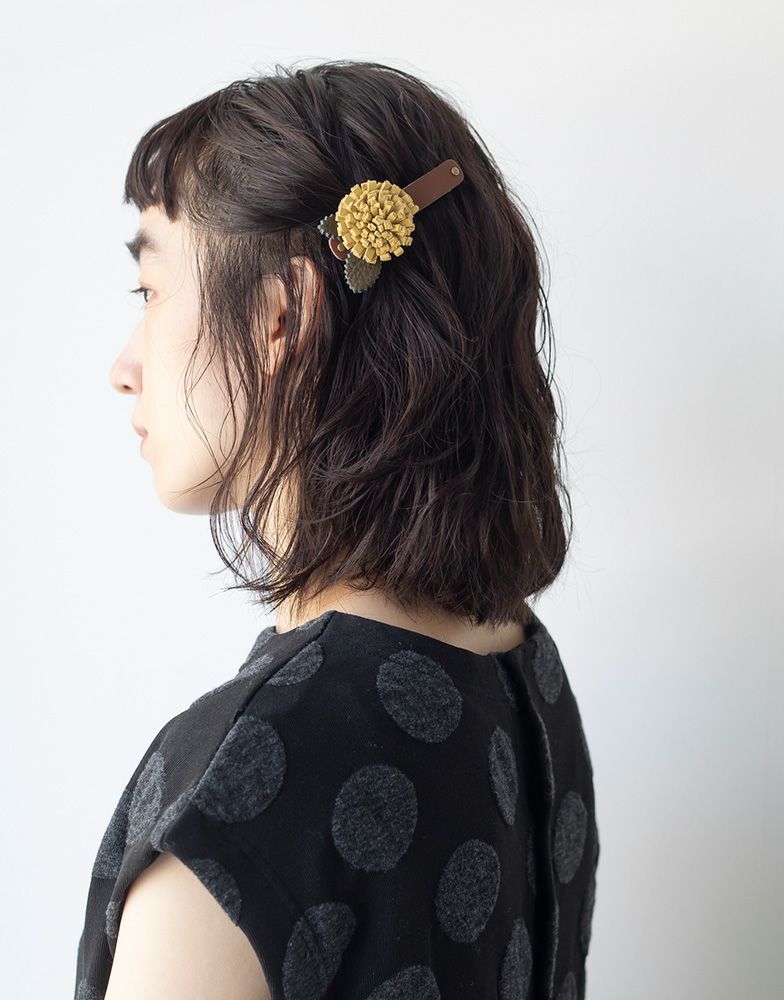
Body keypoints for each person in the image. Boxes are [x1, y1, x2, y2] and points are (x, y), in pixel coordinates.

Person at [74, 59, 599, 1000]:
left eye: (149, 292)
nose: (123, 366)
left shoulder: (235, 810)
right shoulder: (524, 671)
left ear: (284, 315)